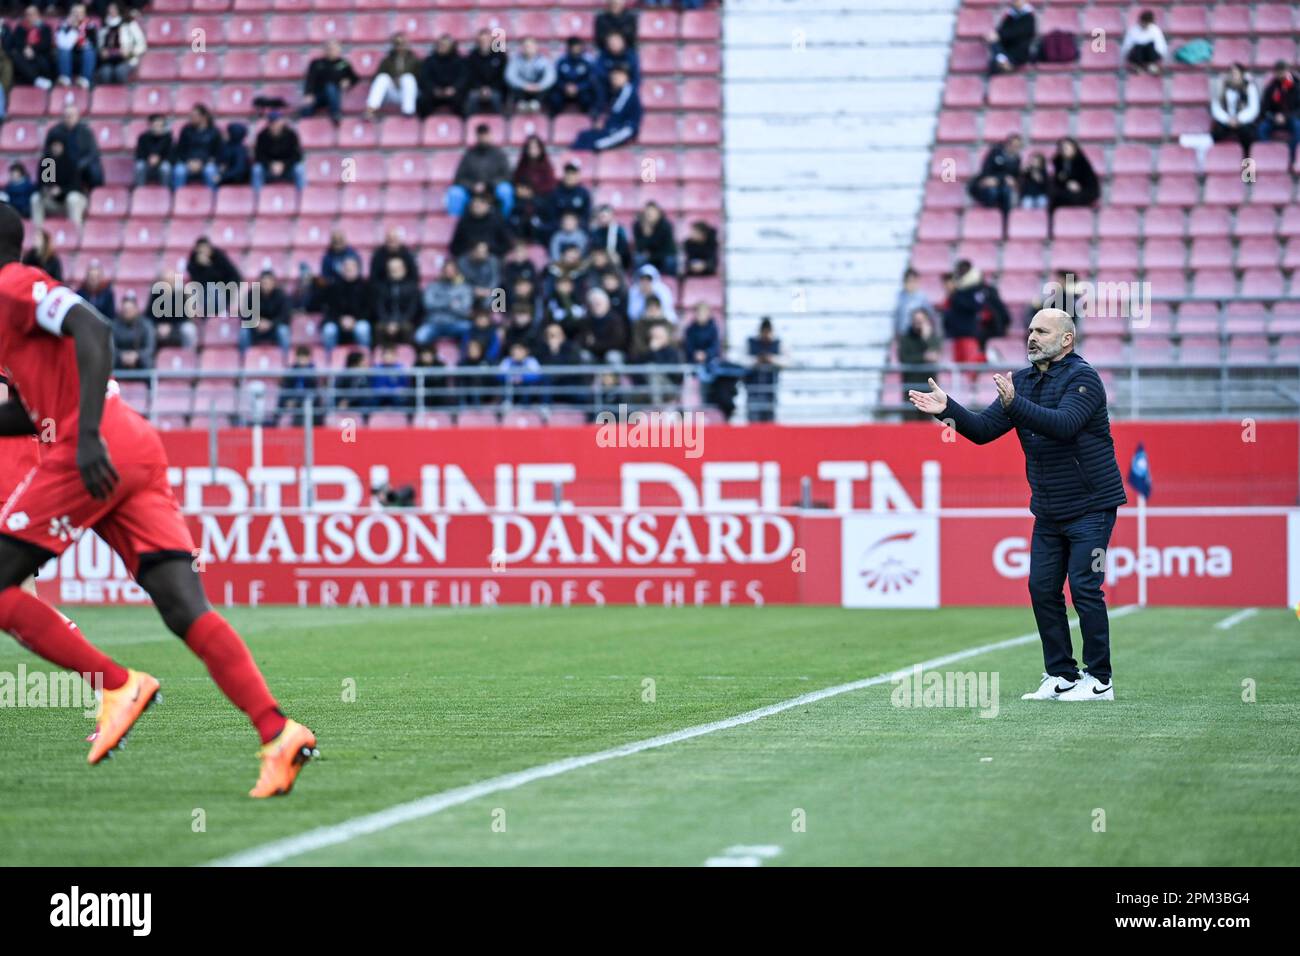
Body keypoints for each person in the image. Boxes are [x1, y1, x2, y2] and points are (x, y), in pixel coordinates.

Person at [0, 203, 317, 794]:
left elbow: (94, 327)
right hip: (132, 445)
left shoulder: (13, 285)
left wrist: (88, 433)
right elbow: (28, 408)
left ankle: (116, 684)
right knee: (183, 607)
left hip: (91, 444)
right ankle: (277, 732)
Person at [907, 308, 1127, 702]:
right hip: (1049, 508)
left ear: (1066, 340)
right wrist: (947, 410)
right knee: (1041, 588)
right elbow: (982, 432)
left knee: (1084, 587)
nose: (1031, 336)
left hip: (1092, 505)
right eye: (1029, 330)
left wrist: (1014, 405)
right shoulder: (1021, 383)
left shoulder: (1084, 378)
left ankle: (1100, 680)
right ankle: (1062, 674)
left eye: (1042, 331)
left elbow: (1063, 426)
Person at [447, 122, 514, 217]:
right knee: (455, 193)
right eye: (480, 135)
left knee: (506, 190)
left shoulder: (499, 154)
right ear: (477, 136)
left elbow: (507, 176)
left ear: (490, 135)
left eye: (485, 135)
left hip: (492, 191)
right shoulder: (469, 155)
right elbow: (459, 178)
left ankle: (505, 223)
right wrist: (473, 186)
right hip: (472, 192)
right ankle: (457, 226)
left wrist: (488, 185)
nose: (483, 138)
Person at [571, 64, 641, 152]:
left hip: (624, 131)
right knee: (583, 136)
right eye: (613, 75)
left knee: (594, 145)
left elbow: (618, 114)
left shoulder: (628, 92)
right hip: (611, 129)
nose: (614, 78)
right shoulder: (615, 93)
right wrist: (603, 123)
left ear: (626, 77)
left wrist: (606, 125)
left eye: (618, 75)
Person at [43, 105, 103, 192]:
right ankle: (48, 193)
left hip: (80, 165)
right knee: (47, 163)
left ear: (78, 117)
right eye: (66, 116)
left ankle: (95, 196)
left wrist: (78, 166)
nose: (69, 118)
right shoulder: (54, 132)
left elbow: (92, 153)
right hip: (60, 165)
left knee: (94, 169)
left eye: (72, 115)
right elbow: (47, 153)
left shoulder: (86, 131)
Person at [896, 308, 942, 418]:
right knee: (909, 424)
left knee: (927, 425)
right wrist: (924, 357)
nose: (918, 323)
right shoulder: (905, 338)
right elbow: (904, 358)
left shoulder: (933, 337)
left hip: (928, 389)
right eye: (916, 320)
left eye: (921, 320)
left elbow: (935, 355)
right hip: (910, 388)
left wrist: (926, 339)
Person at [417, 258, 474, 346]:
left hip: (455, 323)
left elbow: (465, 311)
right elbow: (428, 305)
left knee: (472, 330)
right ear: (442, 271)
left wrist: (439, 303)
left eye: (452, 270)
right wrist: (450, 303)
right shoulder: (432, 286)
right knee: (420, 337)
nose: (449, 273)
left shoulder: (464, 288)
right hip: (434, 323)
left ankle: (465, 358)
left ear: (457, 272)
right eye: (446, 270)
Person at [321, 256, 373, 351]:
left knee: (362, 329)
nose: (349, 271)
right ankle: (329, 360)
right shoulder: (333, 287)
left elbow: (369, 309)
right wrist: (340, 320)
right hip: (337, 321)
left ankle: (365, 357)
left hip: (359, 320)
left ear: (358, 269)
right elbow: (329, 309)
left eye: (352, 268)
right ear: (342, 270)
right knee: (329, 330)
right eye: (346, 268)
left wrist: (354, 320)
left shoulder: (366, 287)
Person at [1210, 63, 1259, 158]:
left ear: (1241, 74)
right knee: (1216, 133)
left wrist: (1239, 119)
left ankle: (1247, 161)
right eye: (1231, 73)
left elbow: (1253, 109)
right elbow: (1216, 108)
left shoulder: (1249, 87)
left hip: (1242, 122)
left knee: (1248, 133)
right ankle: (1221, 159)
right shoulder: (1222, 87)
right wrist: (1227, 119)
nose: (1233, 76)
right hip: (1227, 121)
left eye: (1236, 73)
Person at [300, 39, 356, 124]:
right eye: (329, 48)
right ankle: (304, 126)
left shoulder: (343, 63)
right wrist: (308, 94)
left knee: (330, 87)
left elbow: (354, 77)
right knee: (306, 109)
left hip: (334, 95)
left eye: (334, 49)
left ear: (339, 50)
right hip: (318, 95)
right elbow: (310, 79)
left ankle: (335, 114)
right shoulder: (316, 63)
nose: (331, 51)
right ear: (325, 50)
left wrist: (348, 81)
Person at [365, 33, 419, 119]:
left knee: (408, 78)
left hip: (409, 94)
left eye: (403, 44)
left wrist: (401, 79)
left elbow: (422, 79)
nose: (400, 46)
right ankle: (371, 109)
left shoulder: (415, 60)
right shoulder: (387, 60)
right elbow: (376, 79)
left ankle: (408, 111)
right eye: (397, 44)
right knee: (382, 77)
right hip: (392, 93)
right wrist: (393, 79)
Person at [1258, 61, 1300, 167]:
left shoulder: (1297, 86)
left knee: (1298, 128)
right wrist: (1273, 117)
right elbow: (1264, 109)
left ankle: (1290, 157)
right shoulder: (1271, 87)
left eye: (1283, 71)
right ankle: (1270, 155)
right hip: (1274, 119)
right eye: (1279, 72)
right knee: (1261, 129)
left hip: (1291, 118)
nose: (1281, 75)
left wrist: (1285, 116)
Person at [251, 112, 305, 193]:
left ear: (282, 122)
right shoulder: (262, 136)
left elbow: (297, 156)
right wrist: (271, 165)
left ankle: (302, 198)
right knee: (257, 170)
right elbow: (259, 156)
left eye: (277, 122)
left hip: (287, 169)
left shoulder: (291, 135)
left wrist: (283, 165)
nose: (275, 125)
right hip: (269, 169)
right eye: (272, 123)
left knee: (299, 169)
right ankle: (257, 199)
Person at [170, 104, 221, 189]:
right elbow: (180, 150)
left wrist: (203, 162)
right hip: (188, 162)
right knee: (179, 171)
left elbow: (217, 152)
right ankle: (178, 198)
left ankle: (213, 198)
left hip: (207, 163)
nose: (191, 118)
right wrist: (188, 162)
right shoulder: (186, 130)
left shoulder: (214, 132)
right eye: (190, 115)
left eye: (194, 115)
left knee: (210, 171)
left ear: (204, 117)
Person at [238, 270, 290, 352]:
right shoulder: (252, 294)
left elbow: (285, 315)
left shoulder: (281, 295)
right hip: (255, 329)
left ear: (274, 283)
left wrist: (271, 323)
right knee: (244, 332)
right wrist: (257, 323)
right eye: (264, 283)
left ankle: (285, 360)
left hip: (274, 329)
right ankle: (243, 360)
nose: (266, 285)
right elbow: (244, 314)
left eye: (269, 283)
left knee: (283, 331)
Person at [549, 36, 601, 117]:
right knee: (555, 99)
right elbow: (556, 78)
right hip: (564, 90)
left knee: (587, 99)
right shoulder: (561, 60)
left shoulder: (587, 61)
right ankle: (553, 120)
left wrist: (578, 87)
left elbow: (591, 79)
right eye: (573, 47)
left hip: (581, 90)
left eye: (578, 46)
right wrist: (564, 87)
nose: (576, 49)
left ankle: (588, 119)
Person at [968, 134, 1022, 213]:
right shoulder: (995, 152)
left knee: (1007, 192)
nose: (1015, 148)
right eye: (1014, 145)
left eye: (1018, 146)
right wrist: (1000, 179)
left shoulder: (1017, 159)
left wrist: (1012, 182)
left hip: (1003, 186)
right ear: (1008, 144)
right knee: (992, 191)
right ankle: (988, 216)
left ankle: (1005, 217)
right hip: (989, 185)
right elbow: (987, 171)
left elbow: (1013, 177)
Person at [94, 2, 145, 85]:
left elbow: (141, 43)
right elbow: (99, 45)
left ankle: (122, 95)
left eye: (114, 9)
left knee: (120, 72)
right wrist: (102, 52)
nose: (111, 11)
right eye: (110, 9)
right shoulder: (104, 26)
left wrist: (130, 52)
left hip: (126, 60)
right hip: (108, 61)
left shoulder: (129, 23)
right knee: (105, 73)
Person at [449, 192, 512, 258]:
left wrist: (489, 250)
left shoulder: (496, 221)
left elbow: (506, 245)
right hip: (469, 258)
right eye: (475, 204)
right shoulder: (464, 222)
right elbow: (454, 247)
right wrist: (472, 251)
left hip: (491, 257)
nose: (477, 206)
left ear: (488, 206)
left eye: (481, 204)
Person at [746, 318, 784, 422]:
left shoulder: (777, 343)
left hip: (770, 391)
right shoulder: (751, 343)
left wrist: (772, 359)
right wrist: (756, 360)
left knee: (769, 423)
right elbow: (742, 360)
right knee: (753, 423)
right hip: (753, 390)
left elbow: (787, 360)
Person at [463, 28, 508, 117]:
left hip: (495, 89)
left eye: (487, 40)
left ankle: (500, 123)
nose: (484, 42)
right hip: (477, 90)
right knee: (472, 98)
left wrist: (491, 89)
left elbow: (502, 76)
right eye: (482, 40)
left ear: (491, 41)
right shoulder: (472, 57)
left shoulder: (500, 56)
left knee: (496, 98)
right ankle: (470, 124)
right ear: (478, 42)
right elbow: (470, 76)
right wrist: (480, 88)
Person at [418, 34, 465, 118]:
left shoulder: (459, 61)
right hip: (434, 92)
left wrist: (454, 88)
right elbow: (424, 78)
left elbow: (463, 78)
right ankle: (426, 125)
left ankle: (460, 126)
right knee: (422, 101)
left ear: (451, 47)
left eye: (445, 45)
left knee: (463, 102)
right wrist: (433, 89)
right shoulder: (430, 60)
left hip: (453, 92)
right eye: (440, 45)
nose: (442, 47)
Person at [1047, 137, 1099, 213]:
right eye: (1063, 148)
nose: (1065, 150)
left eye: (1068, 148)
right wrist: (1065, 182)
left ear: (1074, 149)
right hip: (1064, 192)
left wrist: (1079, 187)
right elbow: (1057, 180)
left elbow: (1090, 182)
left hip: (1082, 192)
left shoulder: (1082, 162)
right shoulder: (1057, 162)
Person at [505, 36, 555, 114]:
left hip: (538, 90)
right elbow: (510, 76)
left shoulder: (544, 61)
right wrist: (524, 85)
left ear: (536, 47)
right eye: (525, 46)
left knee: (548, 88)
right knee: (512, 86)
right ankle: (521, 103)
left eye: (530, 46)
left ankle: (536, 104)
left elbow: (550, 77)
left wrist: (539, 86)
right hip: (522, 89)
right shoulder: (515, 60)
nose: (527, 48)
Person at [985, 0, 1036, 76]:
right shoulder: (1010, 15)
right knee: (993, 40)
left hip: (1019, 52)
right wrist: (996, 35)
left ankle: (1005, 63)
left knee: (997, 62)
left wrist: (1000, 35)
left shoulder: (1029, 17)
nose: (1015, 2)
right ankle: (1004, 63)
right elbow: (1002, 30)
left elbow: (1018, 33)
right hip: (1006, 49)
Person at [54, 3, 96, 89]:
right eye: (75, 13)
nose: (78, 15)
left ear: (85, 14)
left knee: (89, 51)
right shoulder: (63, 25)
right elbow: (62, 45)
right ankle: (65, 79)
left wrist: (80, 31)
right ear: (70, 14)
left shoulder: (90, 26)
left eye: (80, 13)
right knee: (64, 51)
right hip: (68, 55)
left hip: (83, 55)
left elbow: (92, 43)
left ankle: (85, 80)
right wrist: (73, 29)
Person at [110, 291, 154, 370]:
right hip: (119, 362)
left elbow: (150, 348)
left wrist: (137, 355)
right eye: (125, 310)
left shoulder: (146, 325)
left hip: (140, 363)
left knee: (148, 362)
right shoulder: (115, 325)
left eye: (130, 310)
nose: (127, 313)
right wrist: (121, 355)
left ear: (136, 309)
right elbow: (110, 348)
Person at [277, 345, 321, 426]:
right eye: (300, 358)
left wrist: (298, 401)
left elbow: (315, 390)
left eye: (305, 358)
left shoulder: (313, 372)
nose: (302, 361)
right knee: (281, 399)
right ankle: (275, 425)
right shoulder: (291, 371)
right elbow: (286, 388)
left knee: (314, 403)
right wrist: (288, 400)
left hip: (307, 400)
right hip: (294, 398)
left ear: (309, 358)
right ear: (296, 358)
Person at [632, 202, 676, 276]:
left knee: (670, 260)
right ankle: (640, 279)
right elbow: (639, 247)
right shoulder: (638, 225)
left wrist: (651, 256)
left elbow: (668, 249)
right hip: (647, 257)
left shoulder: (666, 226)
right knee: (638, 258)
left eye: (653, 212)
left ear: (659, 213)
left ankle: (670, 281)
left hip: (661, 256)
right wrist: (646, 235)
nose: (650, 215)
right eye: (648, 213)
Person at [1120, 9, 1166, 76]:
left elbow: (1161, 46)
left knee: (1150, 45)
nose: (1145, 25)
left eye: (1147, 23)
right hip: (1137, 56)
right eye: (1144, 22)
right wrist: (1125, 57)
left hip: (1151, 55)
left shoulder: (1155, 30)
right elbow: (1127, 46)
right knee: (1138, 46)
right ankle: (1138, 66)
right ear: (1140, 21)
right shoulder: (1133, 30)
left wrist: (1160, 57)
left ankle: (1151, 65)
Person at [893, 267, 935, 338]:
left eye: (913, 281)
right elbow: (897, 317)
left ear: (917, 282)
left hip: (918, 336)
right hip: (904, 336)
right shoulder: (900, 297)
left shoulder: (922, 298)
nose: (911, 284)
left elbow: (930, 316)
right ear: (904, 283)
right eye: (908, 281)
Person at [133, 113, 172, 187]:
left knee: (166, 168)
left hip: (161, 163)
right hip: (147, 163)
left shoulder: (168, 138)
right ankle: (140, 190)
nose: (158, 128)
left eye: (161, 125)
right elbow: (139, 154)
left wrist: (159, 159)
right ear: (151, 125)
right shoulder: (143, 137)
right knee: (139, 166)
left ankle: (165, 190)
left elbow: (170, 155)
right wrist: (149, 159)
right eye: (156, 125)